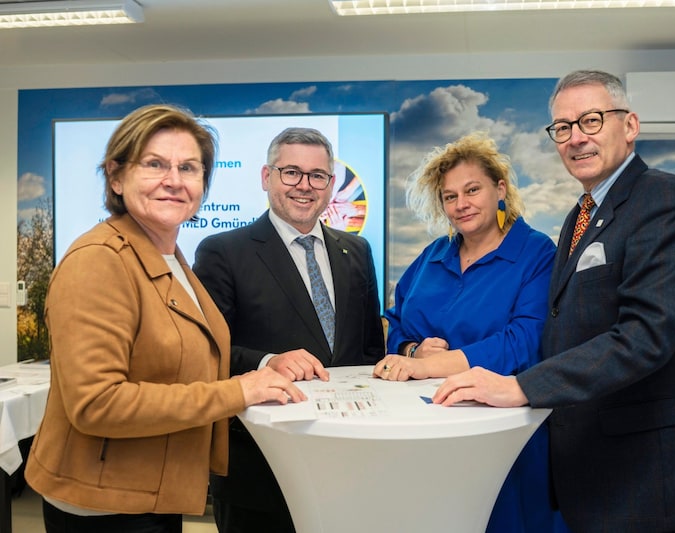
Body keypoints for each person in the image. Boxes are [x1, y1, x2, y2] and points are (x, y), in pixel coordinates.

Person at [433, 70, 675, 533]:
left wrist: (522, 387)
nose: (576, 138)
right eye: (563, 127)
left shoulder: (666, 199)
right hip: (594, 468)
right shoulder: (580, 214)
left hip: (645, 473)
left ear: (630, 125)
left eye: (591, 121)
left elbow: (645, 336)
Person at [24, 104, 305, 533]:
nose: (174, 180)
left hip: (150, 490)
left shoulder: (168, 256)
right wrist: (236, 392)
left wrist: (265, 365)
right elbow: (97, 404)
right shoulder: (99, 260)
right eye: (155, 164)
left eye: (189, 168)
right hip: (106, 506)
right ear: (116, 177)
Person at [373, 132, 568, 533]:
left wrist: (432, 367)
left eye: (472, 189)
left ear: (500, 189)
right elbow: (395, 323)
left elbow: (525, 342)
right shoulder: (432, 256)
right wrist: (412, 353)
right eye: (449, 196)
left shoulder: (536, 253)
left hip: (502, 437)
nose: (461, 204)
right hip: (427, 435)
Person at [193, 127, 385, 533]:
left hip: (348, 462)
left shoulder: (357, 251)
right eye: (291, 172)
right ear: (267, 177)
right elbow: (207, 354)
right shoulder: (223, 252)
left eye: (317, 175)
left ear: (331, 185)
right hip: (260, 469)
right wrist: (267, 362)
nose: (305, 185)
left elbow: (369, 351)